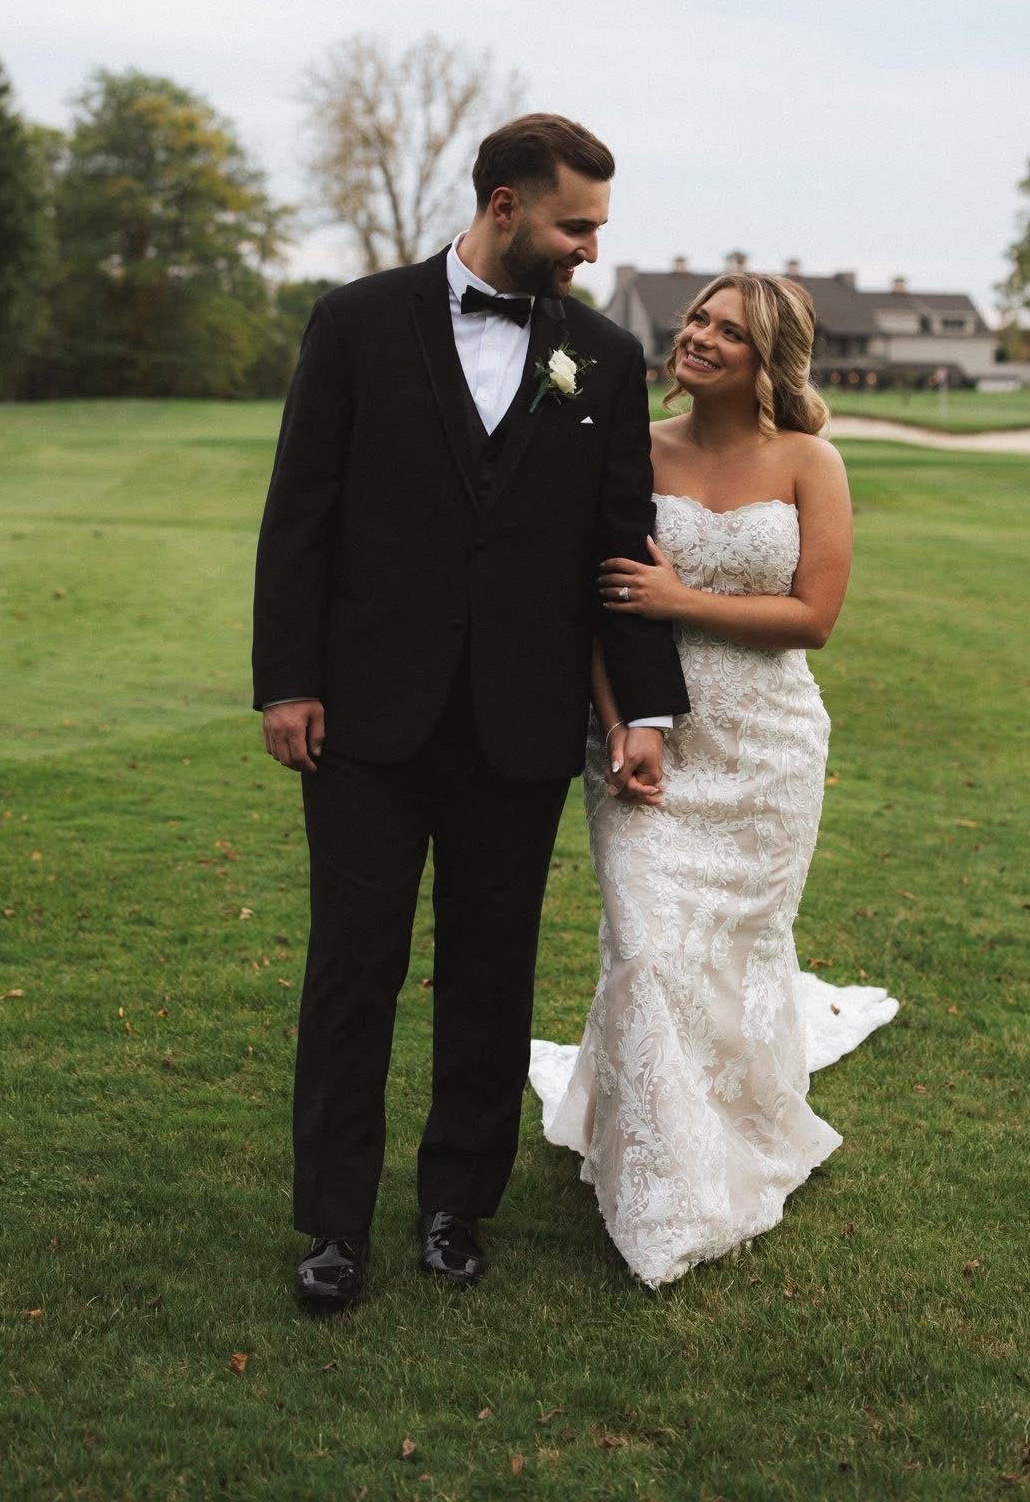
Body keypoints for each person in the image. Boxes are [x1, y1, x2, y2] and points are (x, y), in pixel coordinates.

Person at [253, 113, 689, 1309]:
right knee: (353, 969)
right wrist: (287, 679)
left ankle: (455, 1206)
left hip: (518, 720)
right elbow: (301, 513)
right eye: (574, 224)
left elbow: (617, 548)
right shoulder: (354, 325)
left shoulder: (600, 356)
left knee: (491, 971)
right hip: (363, 718)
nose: (591, 248)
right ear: (504, 205)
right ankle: (333, 1224)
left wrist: (641, 708)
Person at [528, 271, 898, 1289]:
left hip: (767, 749)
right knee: (650, 950)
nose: (698, 336)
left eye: (727, 330)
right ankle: (658, 1179)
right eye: (696, 317)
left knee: (729, 951)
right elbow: (598, 601)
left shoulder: (809, 460)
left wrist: (679, 595)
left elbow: (813, 614)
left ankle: (733, 1128)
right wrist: (617, 722)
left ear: (767, 355)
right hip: (643, 737)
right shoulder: (631, 445)